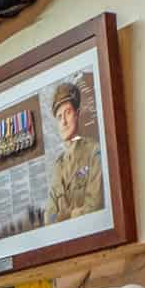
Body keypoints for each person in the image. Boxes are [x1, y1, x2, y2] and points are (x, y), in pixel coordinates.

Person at [46, 81, 104, 222]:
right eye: (59, 117)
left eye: (68, 112)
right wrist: (71, 215)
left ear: (77, 114)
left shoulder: (94, 152)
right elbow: (49, 217)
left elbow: (94, 206)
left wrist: (64, 216)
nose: (64, 121)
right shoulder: (58, 165)